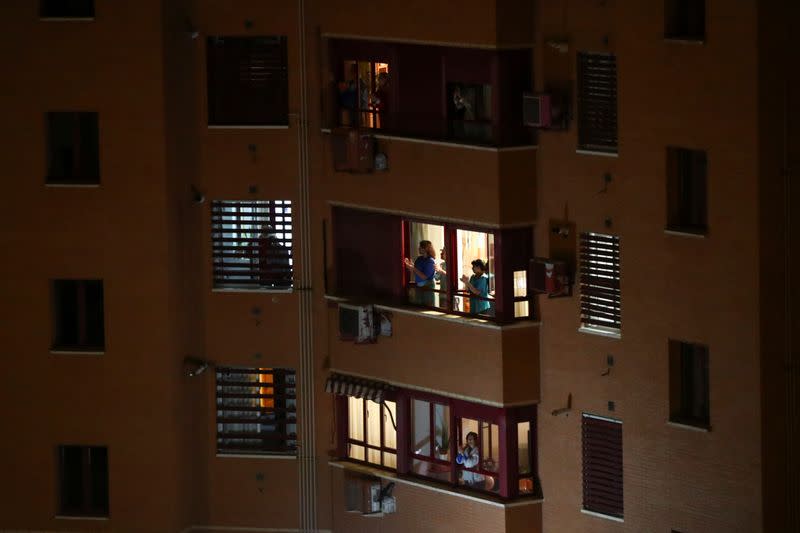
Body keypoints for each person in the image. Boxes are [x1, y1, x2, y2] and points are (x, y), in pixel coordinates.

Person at [404, 240, 437, 306]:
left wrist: (413, 268)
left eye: (420, 247)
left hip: (428, 287)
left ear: (425, 249)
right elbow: (415, 271)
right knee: (418, 306)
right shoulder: (419, 259)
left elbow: (424, 276)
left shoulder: (430, 261)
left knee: (427, 308)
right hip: (419, 285)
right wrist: (409, 265)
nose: (418, 248)